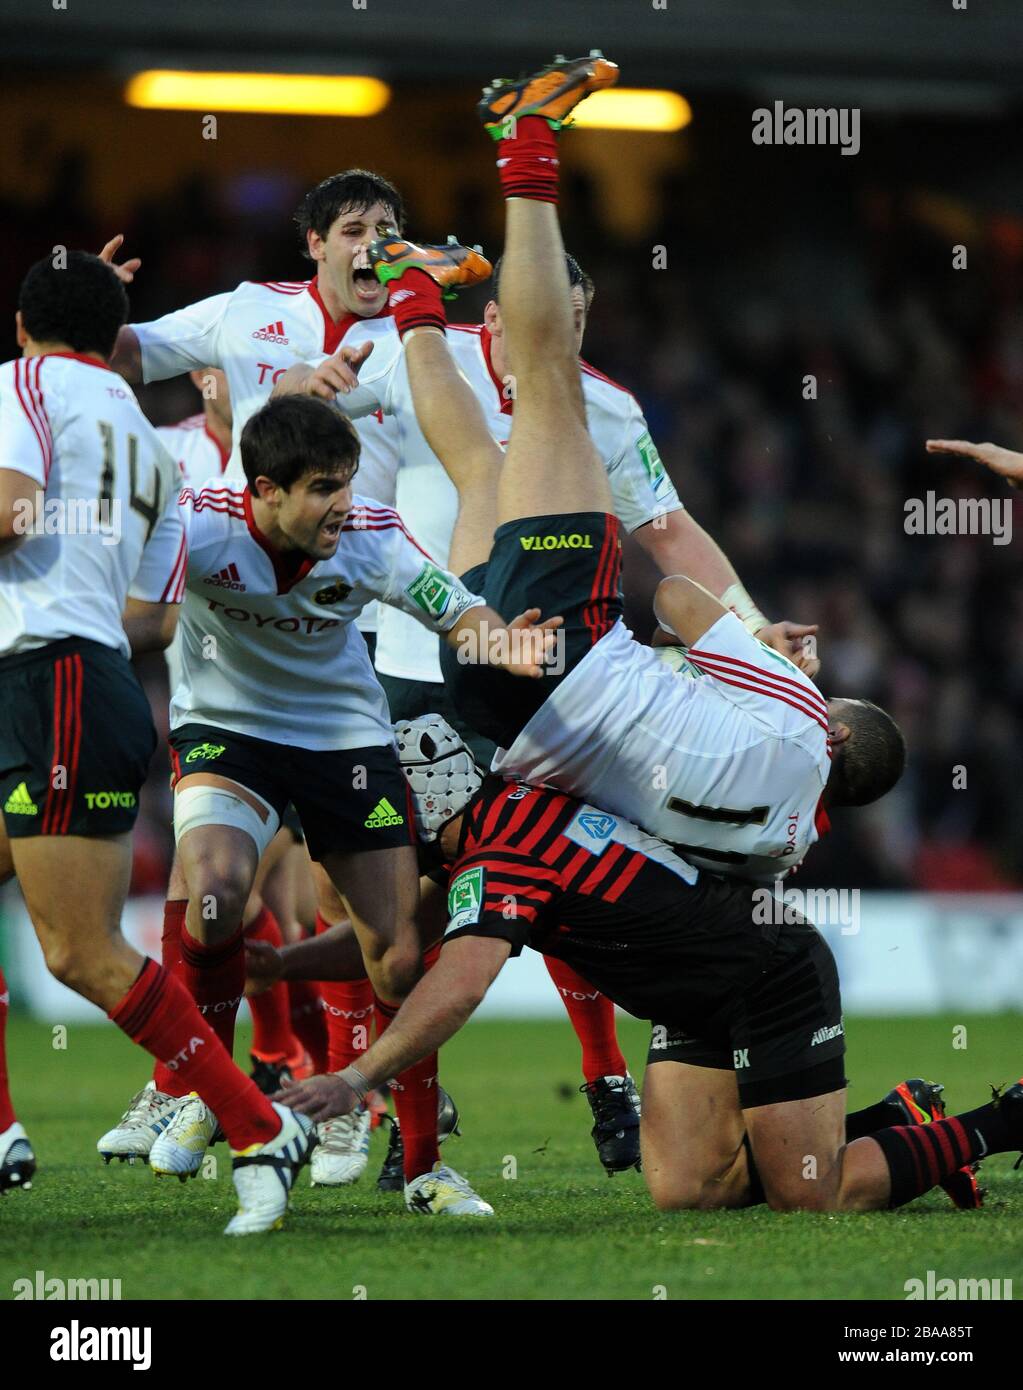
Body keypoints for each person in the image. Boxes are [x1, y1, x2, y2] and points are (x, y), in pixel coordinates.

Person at [356, 55, 902, 885]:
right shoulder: (408, 372)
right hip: (409, 649)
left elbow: (672, 535)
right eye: (553, 317)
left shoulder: (606, 407)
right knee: (390, 913)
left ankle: (510, 163)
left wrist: (749, 624)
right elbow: (305, 437)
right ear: (495, 313)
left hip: (499, 647)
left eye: (579, 320)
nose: (565, 337)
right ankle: (428, 277)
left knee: (468, 889)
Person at [110, 385, 558, 1214]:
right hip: (227, 729)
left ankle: (423, 1168)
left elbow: (458, 615)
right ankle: (202, 1093)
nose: (344, 505)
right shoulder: (197, 526)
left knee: (392, 951)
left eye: (347, 483)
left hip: (343, 739)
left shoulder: (372, 541)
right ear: (266, 491)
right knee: (212, 893)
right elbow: (136, 612)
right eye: (323, 488)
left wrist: (506, 641)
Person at [271, 712, 999, 1215]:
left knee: (810, 1194)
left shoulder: (499, 861)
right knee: (691, 1191)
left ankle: (1001, 1122)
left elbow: (457, 982)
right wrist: (274, 965)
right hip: (695, 996)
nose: (377, 846)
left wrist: (356, 1077)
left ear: (419, 809)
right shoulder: (503, 820)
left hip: (766, 974)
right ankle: (898, 1119)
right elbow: (393, 936)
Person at [0, 250, 314, 1235]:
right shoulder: (149, 438)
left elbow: (10, 514)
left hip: (45, 684)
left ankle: (259, 1124)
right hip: (95, 681)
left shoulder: (25, 384)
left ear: (23, 328)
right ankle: (5, 1127)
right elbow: (153, 614)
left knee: (80, 953)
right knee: (77, 948)